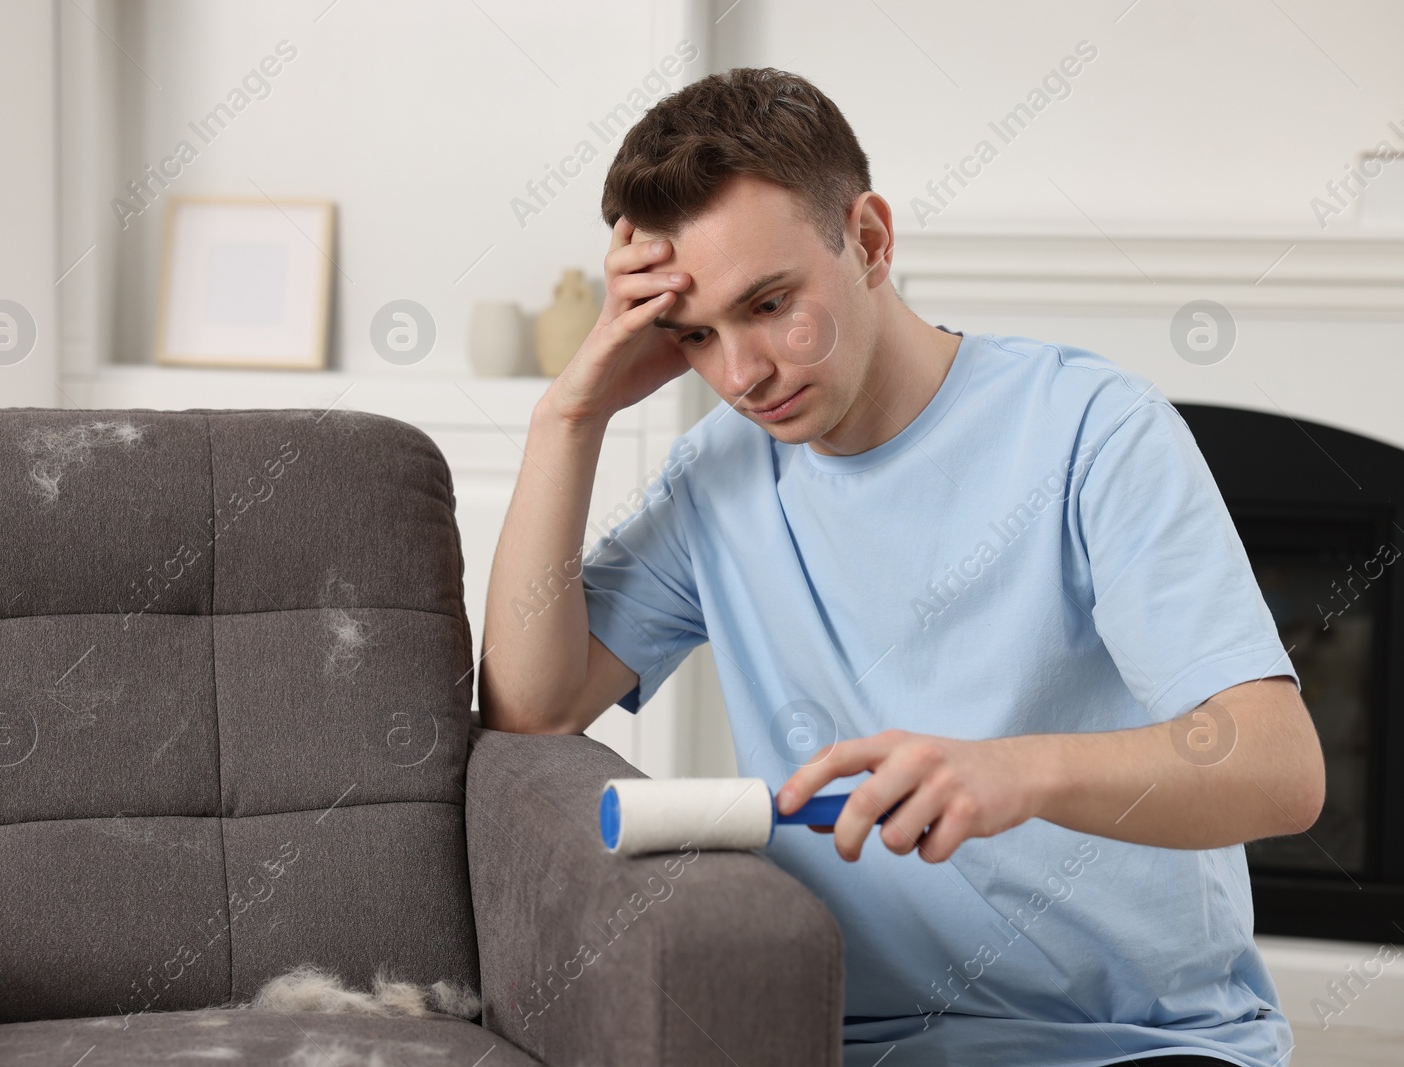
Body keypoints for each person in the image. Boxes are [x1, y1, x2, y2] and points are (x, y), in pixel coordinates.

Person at [478, 66, 1324, 1067]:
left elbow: (1278, 766)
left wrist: (1016, 769)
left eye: (769, 303)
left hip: (1132, 1041)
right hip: (846, 1041)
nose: (741, 374)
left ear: (869, 239)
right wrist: (568, 417)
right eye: (695, 333)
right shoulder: (719, 475)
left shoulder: (1093, 429)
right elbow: (531, 711)